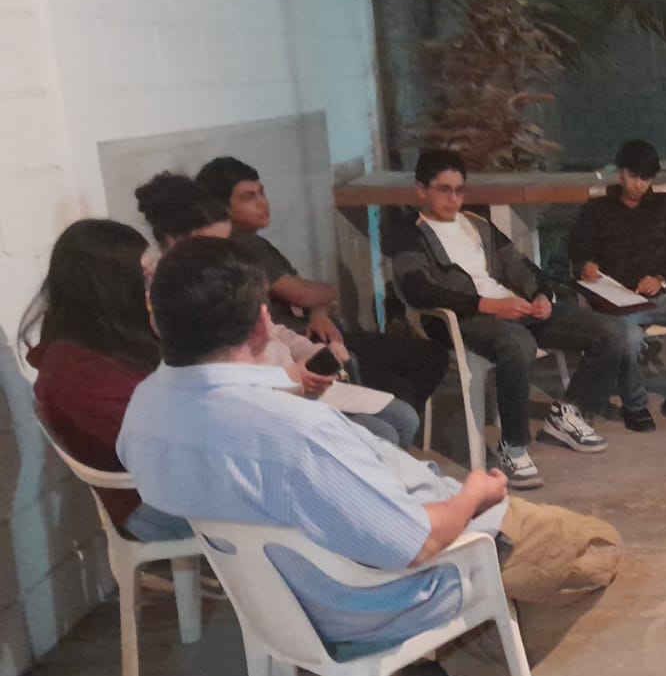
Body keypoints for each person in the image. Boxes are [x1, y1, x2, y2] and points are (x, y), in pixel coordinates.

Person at [118, 237, 623, 676]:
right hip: (369, 596)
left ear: (159, 323)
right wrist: (475, 494)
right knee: (593, 549)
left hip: (274, 598)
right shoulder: (298, 434)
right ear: (261, 324)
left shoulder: (145, 409)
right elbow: (417, 544)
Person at [391, 149, 636, 489]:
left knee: (611, 331)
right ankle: (513, 446)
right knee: (518, 343)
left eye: (459, 190)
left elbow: (520, 266)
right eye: (444, 190)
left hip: (510, 308)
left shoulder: (477, 225)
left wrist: (540, 295)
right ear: (422, 190)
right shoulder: (410, 234)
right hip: (462, 318)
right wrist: (487, 305)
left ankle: (569, 412)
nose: (453, 198)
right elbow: (418, 290)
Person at [136, 172, 421, 449]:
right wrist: (292, 379)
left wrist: (312, 354)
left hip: (292, 381)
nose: (223, 252)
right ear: (174, 242)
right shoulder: (176, 298)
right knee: (381, 432)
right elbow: (223, 379)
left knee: (403, 416)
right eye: (211, 244)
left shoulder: (225, 272)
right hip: (267, 403)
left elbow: (276, 330)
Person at [195, 156, 449, 417]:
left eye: (262, 193)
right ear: (222, 208)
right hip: (295, 351)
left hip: (312, 337)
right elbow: (304, 294)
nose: (263, 203)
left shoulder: (257, 242)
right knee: (405, 384)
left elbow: (310, 296)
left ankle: (394, 431)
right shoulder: (240, 248)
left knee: (426, 360)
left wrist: (318, 311)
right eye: (249, 197)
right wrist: (323, 297)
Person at [20, 219, 189, 542]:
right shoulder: (78, 371)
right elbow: (164, 445)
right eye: (144, 276)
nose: (155, 285)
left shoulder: (107, 344)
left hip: (169, 482)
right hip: (150, 505)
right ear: (112, 288)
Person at [569, 139, 666, 430]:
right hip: (617, 301)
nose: (638, 185)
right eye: (633, 176)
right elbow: (580, 249)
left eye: (645, 178)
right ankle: (635, 403)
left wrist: (662, 278)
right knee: (627, 340)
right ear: (620, 173)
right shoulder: (597, 210)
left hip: (660, 296)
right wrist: (586, 265)